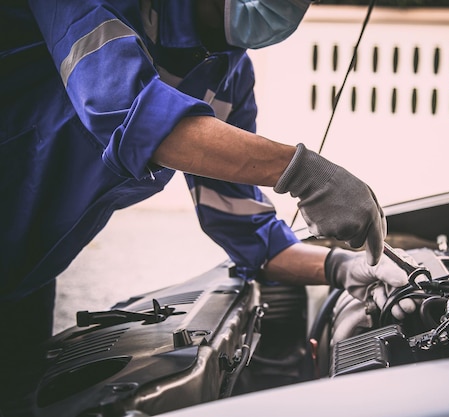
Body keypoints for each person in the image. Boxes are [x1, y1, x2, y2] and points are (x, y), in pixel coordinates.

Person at [0, 1, 414, 411]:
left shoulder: (227, 74)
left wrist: (345, 268)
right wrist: (303, 171)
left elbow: (248, 230)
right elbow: (132, 115)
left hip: (29, 276)